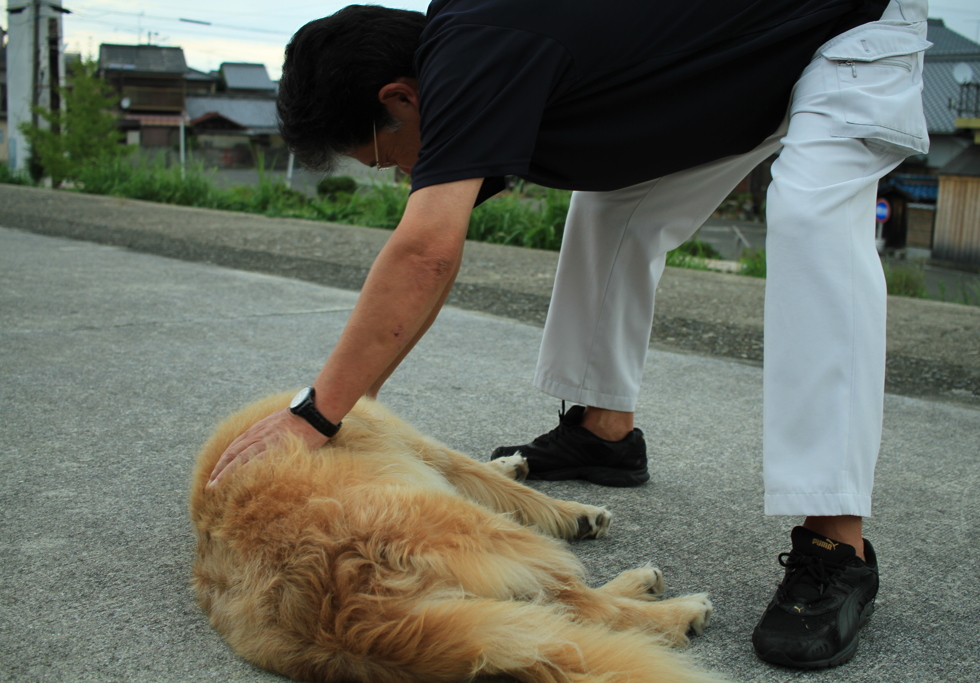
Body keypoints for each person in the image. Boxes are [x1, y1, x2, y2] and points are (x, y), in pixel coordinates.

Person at [206, 0, 930, 669]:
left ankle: (838, 546)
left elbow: (426, 249)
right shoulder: (471, 53)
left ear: (402, 98)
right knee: (611, 203)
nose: (401, 174)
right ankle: (604, 431)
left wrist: (316, 413)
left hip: (846, 25)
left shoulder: (474, 54)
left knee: (811, 216)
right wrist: (356, 415)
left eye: (384, 156)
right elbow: (432, 254)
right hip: (733, 66)